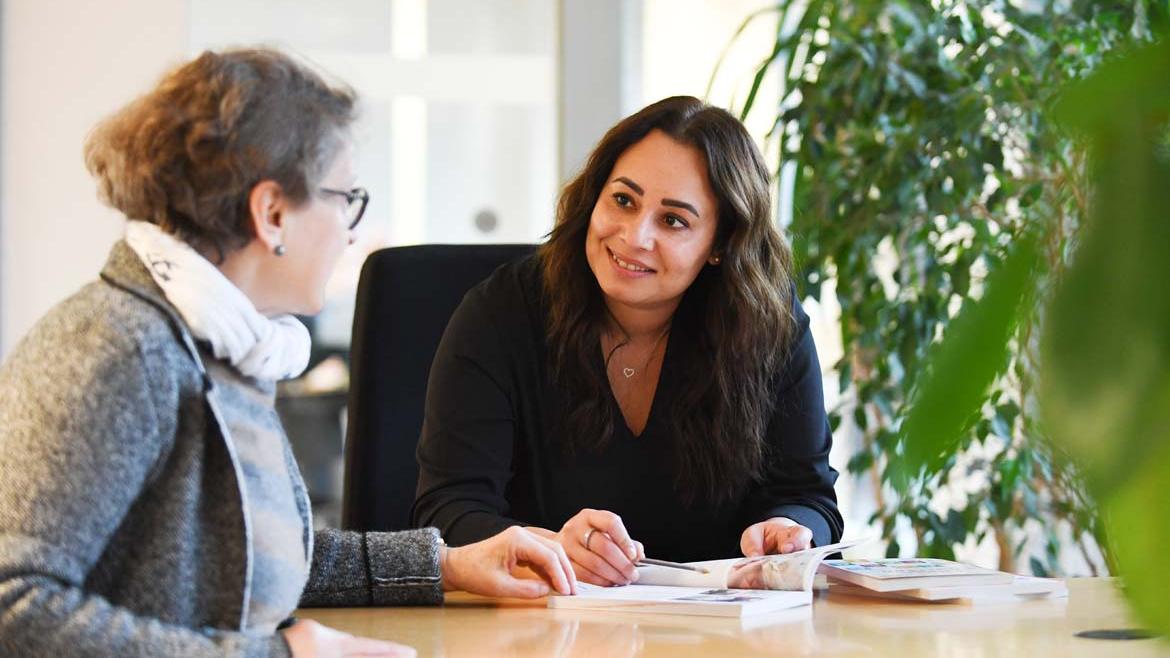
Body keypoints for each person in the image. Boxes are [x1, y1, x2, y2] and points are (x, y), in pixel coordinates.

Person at [0, 48, 574, 658]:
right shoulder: (120, 348)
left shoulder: (223, 346)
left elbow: (252, 555)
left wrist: (448, 565)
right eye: (344, 198)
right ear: (272, 213)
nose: (350, 229)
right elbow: (13, 606)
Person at [413, 96, 843, 587]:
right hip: (541, 626)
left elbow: (810, 497)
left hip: (713, 636)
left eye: (673, 220)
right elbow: (447, 510)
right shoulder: (501, 313)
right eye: (623, 200)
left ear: (721, 246)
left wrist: (790, 532)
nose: (634, 236)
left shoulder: (769, 325)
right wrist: (549, 545)